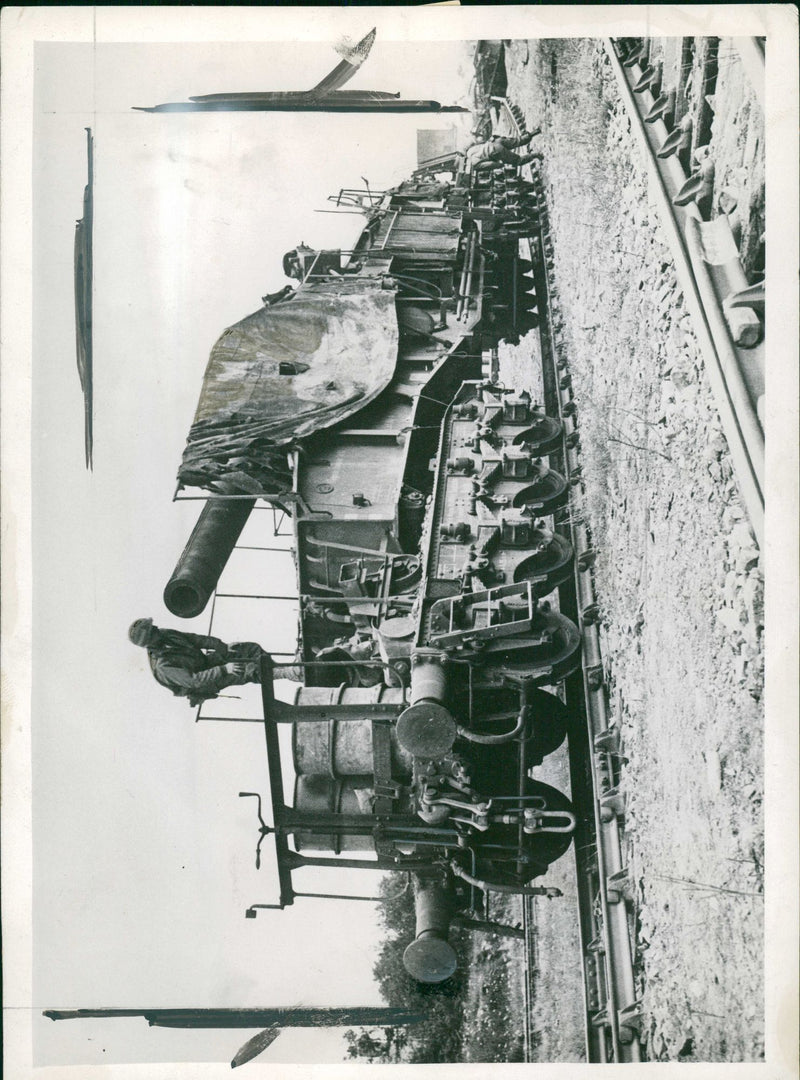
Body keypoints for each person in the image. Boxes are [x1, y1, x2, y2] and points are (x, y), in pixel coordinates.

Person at [128, 618, 262, 707]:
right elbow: (194, 680)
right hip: (201, 685)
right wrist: (224, 669)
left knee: (249, 648)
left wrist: (221, 646)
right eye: (152, 630)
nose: (156, 627)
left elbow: (193, 639)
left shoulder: (165, 634)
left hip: (205, 663)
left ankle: (272, 665)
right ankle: (278, 673)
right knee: (244, 671)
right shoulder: (162, 667)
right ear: (149, 640)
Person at [463, 128, 543, 173]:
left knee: (517, 161)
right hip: (495, 141)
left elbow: (490, 164)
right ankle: (534, 132)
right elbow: (481, 143)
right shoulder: (470, 151)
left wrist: (500, 165)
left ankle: (535, 155)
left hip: (495, 151)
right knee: (517, 141)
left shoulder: (474, 165)